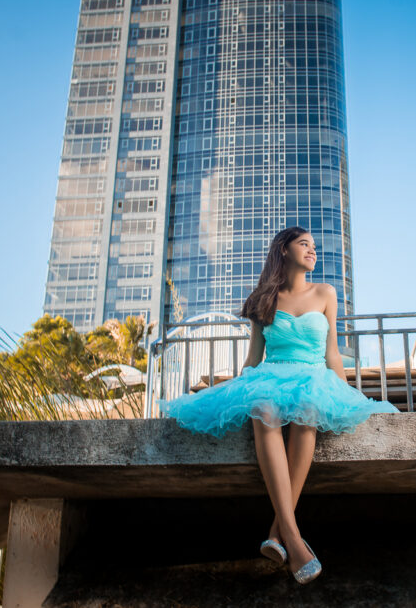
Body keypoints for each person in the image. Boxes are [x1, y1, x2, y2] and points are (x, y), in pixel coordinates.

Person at [159, 226, 399, 584]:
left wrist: (349, 395)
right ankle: (294, 538)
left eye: (314, 246)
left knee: (308, 413)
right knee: (264, 409)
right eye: (304, 244)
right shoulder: (264, 298)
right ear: (283, 250)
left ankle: (277, 533)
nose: (313, 250)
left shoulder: (325, 293)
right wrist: (239, 390)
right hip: (270, 374)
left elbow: (332, 353)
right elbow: (253, 359)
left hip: (312, 375)